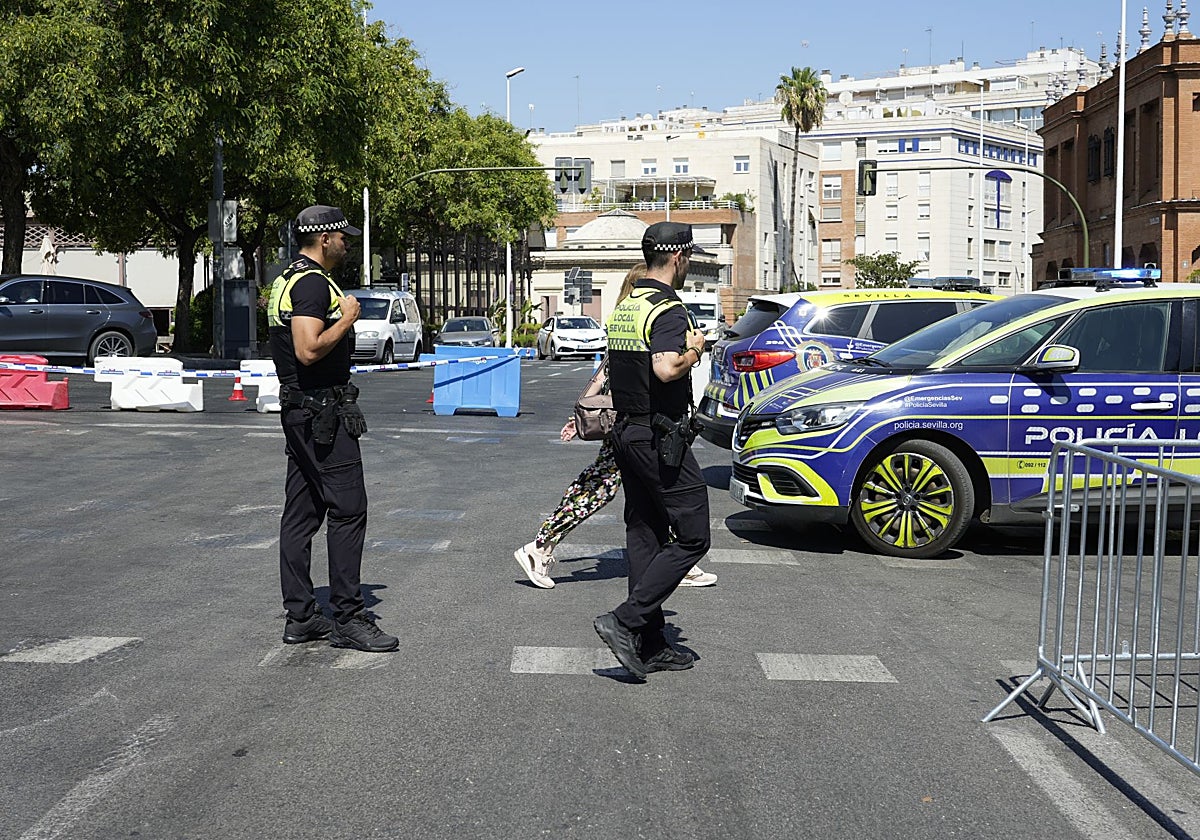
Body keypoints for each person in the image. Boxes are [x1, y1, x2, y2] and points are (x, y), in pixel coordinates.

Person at [514, 263, 717, 591]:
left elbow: (604, 372)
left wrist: (581, 411)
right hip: (632, 420)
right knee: (601, 487)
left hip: (627, 420)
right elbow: (609, 373)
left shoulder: (628, 320)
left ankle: (677, 561)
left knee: (650, 488)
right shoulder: (645, 318)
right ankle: (540, 547)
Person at [267, 205, 398, 653]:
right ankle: (348, 616)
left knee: (302, 514)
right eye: (343, 237)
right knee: (348, 510)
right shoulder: (310, 284)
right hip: (321, 414)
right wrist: (347, 319)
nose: (347, 244)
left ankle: (302, 617)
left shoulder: (288, 278)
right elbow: (307, 350)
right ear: (324, 239)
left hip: (302, 412)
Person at [592, 222, 713, 679]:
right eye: (689, 258)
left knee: (645, 534)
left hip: (627, 431)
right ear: (678, 258)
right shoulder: (669, 310)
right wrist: (695, 351)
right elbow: (665, 369)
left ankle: (652, 643)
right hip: (660, 437)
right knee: (694, 536)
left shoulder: (629, 305)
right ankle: (625, 621)